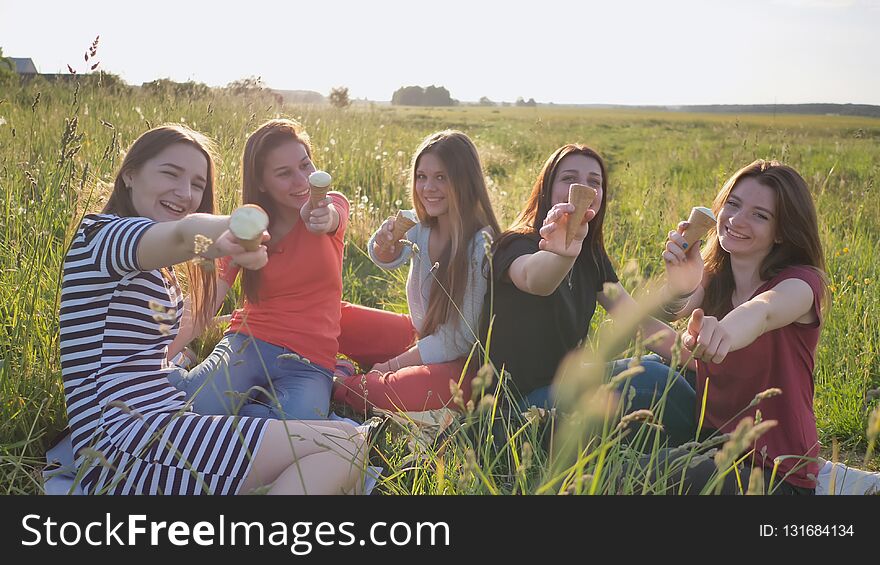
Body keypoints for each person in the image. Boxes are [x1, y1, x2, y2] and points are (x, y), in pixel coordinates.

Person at [60, 124, 367, 495]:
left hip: (156, 425)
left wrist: (171, 356)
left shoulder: (154, 269)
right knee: (343, 445)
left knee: (343, 443)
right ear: (129, 173)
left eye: (197, 184)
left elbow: (156, 331)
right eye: (170, 174)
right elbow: (182, 235)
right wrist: (230, 232)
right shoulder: (101, 236)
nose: (185, 193)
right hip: (127, 444)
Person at [480, 143, 696, 444]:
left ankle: (705, 427)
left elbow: (637, 323)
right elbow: (536, 279)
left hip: (567, 383)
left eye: (594, 182)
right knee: (659, 380)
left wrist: (702, 362)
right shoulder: (515, 245)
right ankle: (713, 437)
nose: (582, 187)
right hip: (519, 408)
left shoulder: (590, 255)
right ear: (548, 189)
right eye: (569, 178)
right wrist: (562, 255)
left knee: (666, 364)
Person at [644, 158, 829, 494]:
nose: (736, 220)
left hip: (776, 475)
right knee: (640, 378)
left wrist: (723, 333)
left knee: (649, 475)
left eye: (760, 215)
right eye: (733, 204)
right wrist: (679, 286)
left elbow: (763, 312)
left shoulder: (802, 284)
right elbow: (672, 312)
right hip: (714, 441)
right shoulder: (716, 276)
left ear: (783, 231)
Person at [169, 119, 349, 421]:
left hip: (311, 361)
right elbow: (209, 301)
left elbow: (329, 216)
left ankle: (245, 411)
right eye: (284, 174)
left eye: (306, 165)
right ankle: (179, 370)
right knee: (193, 411)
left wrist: (322, 215)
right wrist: (163, 351)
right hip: (248, 343)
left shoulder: (330, 206)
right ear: (262, 183)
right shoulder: (247, 228)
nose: (302, 181)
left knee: (295, 433)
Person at [331, 130, 501, 414]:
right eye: (422, 177)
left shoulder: (480, 245)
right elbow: (380, 253)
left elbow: (459, 340)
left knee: (376, 390)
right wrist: (385, 245)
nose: (428, 188)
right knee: (335, 315)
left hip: (462, 366)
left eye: (441, 177)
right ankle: (343, 368)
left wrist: (390, 366)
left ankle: (340, 382)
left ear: (465, 181)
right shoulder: (420, 225)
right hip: (419, 334)